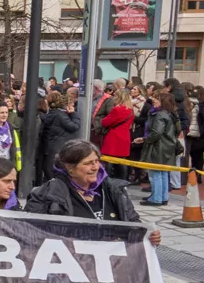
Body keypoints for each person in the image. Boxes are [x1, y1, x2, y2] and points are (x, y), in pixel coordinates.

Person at [24, 140, 162, 248]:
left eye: (97, 161)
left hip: (112, 269)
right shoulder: (46, 195)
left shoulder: (114, 190)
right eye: (88, 163)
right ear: (70, 168)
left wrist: (147, 235)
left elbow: (133, 223)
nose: (95, 167)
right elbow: (30, 234)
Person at [137, 91, 180, 206]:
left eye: (157, 98)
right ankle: (162, 196)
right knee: (163, 173)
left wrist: (145, 139)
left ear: (163, 102)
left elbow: (156, 133)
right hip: (167, 147)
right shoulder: (170, 114)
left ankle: (156, 198)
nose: (153, 100)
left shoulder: (160, 114)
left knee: (155, 173)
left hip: (158, 147)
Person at [40, 90, 79, 180]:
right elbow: (74, 126)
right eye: (72, 105)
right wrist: (74, 114)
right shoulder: (61, 115)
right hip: (58, 146)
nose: (73, 107)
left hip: (53, 145)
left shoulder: (54, 113)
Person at [99, 90, 136, 181]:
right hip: (125, 136)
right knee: (122, 160)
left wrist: (103, 119)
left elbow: (105, 122)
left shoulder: (117, 109)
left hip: (114, 136)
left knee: (109, 159)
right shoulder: (131, 110)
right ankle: (123, 180)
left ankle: (107, 180)